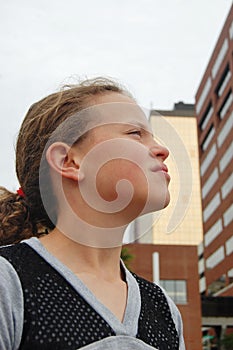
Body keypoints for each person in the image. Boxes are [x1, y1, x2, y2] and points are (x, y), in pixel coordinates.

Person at [0, 77, 185, 350]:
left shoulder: (164, 309)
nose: (162, 150)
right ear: (70, 161)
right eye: (135, 133)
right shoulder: (9, 283)